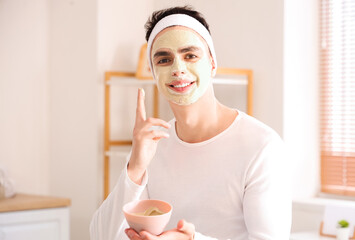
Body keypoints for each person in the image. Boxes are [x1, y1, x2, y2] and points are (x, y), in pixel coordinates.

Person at [90, 6, 292, 240]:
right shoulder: (151, 148)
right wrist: (134, 168)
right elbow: (102, 235)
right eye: (164, 59)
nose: (178, 69)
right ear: (154, 72)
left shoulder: (262, 146)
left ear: (213, 64)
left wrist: (191, 239)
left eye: (190, 55)